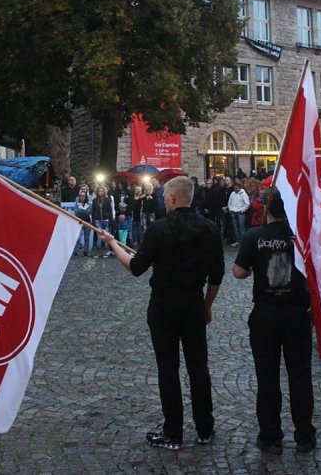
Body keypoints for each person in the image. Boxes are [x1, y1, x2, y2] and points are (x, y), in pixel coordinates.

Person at [104, 176, 224, 450]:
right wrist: (207, 306)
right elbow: (217, 274)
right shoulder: (209, 229)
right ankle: (205, 428)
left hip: (163, 306)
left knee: (168, 370)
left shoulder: (159, 229)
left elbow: (136, 267)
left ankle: (173, 433)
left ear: (171, 198)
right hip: (193, 303)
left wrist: (113, 244)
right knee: (198, 367)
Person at [232, 190, 317, 454]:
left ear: (267, 210)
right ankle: (304, 434)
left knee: (267, 377)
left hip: (265, 314)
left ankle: (271, 436)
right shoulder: (301, 238)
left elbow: (238, 272)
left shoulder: (253, 236)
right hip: (296, 314)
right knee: (300, 376)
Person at [227, 181, 250, 245]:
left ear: (239, 187)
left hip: (240, 213)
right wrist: (230, 209)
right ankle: (238, 240)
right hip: (233, 212)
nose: (235, 189)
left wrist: (242, 210)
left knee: (241, 228)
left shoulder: (243, 194)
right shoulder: (232, 194)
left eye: (236, 188)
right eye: (234, 188)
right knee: (236, 228)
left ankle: (243, 241)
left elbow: (247, 204)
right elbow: (229, 202)